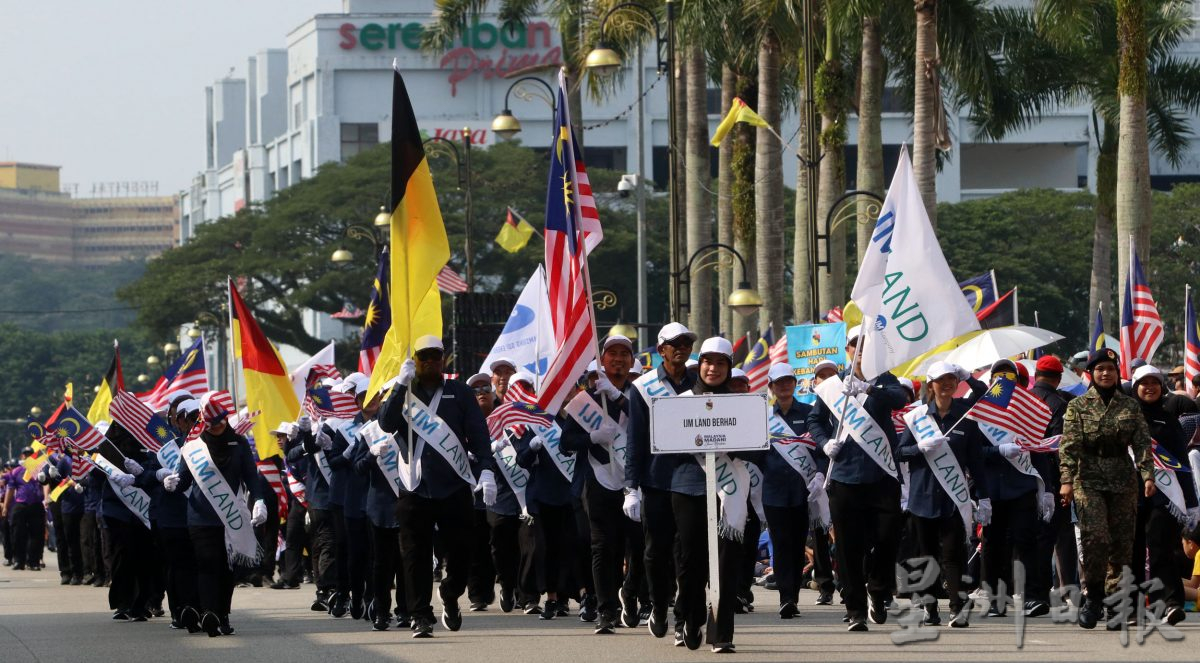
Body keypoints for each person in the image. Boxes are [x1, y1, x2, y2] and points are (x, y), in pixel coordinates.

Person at [377, 335, 496, 638]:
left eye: (435, 357)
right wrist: (400, 386)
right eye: (423, 357)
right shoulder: (403, 392)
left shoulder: (459, 392)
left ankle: (451, 592)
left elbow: (479, 435)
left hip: (453, 485)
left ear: (443, 359)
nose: (430, 362)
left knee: (461, 551)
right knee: (414, 554)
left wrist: (486, 471)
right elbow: (386, 424)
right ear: (414, 360)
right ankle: (420, 615)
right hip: (414, 485)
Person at [807, 326, 907, 632]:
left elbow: (900, 399)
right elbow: (815, 419)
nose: (860, 350)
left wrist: (868, 390)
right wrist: (824, 442)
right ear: (848, 350)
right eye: (855, 345)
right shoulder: (833, 385)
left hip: (882, 475)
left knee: (887, 538)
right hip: (845, 476)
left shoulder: (885, 380)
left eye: (865, 345)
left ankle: (878, 590)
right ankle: (855, 608)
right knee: (849, 548)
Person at [1060, 348, 1156, 629]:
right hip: (1088, 479)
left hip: (1123, 481)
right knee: (1095, 539)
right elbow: (1068, 445)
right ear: (1091, 373)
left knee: (1121, 545)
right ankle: (1093, 598)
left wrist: (1148, 476)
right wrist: (1066, 481)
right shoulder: (1078, 405)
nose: (1105, 374)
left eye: (1111, 369)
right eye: (1100, 369)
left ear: (1117, 374)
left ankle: (1116, 605)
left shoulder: (1130, 406)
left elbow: (1141, 443)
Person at [896, 361, 989, 628]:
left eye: (951, 379)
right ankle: (929, 606)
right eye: (940, 380)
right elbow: (900, 452)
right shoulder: (917, 418)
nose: (946, 384)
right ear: (930, 385)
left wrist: (984, 497)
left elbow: (976, 461)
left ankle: (957, 607)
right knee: (925, 556)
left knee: (954, 555)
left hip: (954, 499)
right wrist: (920, 448)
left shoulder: (966, 417)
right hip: (922, 498)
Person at [168, 397, 267, 636]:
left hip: (230, 517)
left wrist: (260, 500)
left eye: (221, 421)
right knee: (206, 563)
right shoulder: (193, 447)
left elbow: (251, 477)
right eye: (213, 423)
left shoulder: (240, 443)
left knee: (226, 568)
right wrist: (171, 483)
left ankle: (222, 614)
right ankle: (209, 612)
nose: (219, 426)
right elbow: (184, 481)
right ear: (205, 423)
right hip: (201, 516)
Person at [562, 334, 639, 633]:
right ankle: (606, 609)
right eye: (612, 354)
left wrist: (619, 399)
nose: (618, 359)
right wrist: (592, 437)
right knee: (602, 547)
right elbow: (567, 441)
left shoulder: (641, 395)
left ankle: (630, 595)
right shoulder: (586, 402)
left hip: (635, 483)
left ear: (631, 361)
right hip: (598, 480)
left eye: (624, 354)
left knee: (639, 546)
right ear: (602, 361)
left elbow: (653, 427)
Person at [626, 322, 696, 642]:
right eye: (675, 343)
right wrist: (631, 488)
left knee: (688, 553)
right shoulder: (642, 387)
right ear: (661, 349)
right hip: (656, 482)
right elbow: (635, 441)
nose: (682, 348)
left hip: (693, 482)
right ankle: (658, 605)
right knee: (656, 552)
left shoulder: (700, 382)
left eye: (686, 343)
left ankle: (684, 616)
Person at [1130, 364, 1197, 626]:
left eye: (1154, 383)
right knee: (1132, 552)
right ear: (1135, 388)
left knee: (1160, 549)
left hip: (1164, 497)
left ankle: (1169, 603)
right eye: (1143, 383)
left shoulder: (1169, 420)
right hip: (1129, 496)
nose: (1149, 388)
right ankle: (1133, 607)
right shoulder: (1125, 418)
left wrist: (1191, 504)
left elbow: (1182, 463)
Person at [761, 362, 824, 620]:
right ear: (771, 387)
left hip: (802, 490)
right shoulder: (763, 418)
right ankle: (785, 597)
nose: (784, 386)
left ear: (795, 384)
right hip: (773, 491)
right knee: (781, 543)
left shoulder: (809, 413)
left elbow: (821, 448)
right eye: (779, 382)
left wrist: (820, 473)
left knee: (797, 544)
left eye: (789, 381)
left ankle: (792, 597)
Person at [1025, 355, 1078, 618]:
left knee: (1032, 537)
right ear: (1058, 378)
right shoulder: (1059, 403)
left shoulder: (1022, 400)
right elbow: (1060, 445)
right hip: (1052, 478)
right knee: (1061, 535)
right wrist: (1065, 481)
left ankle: (1033, 593)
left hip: (1023, 476)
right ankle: (1067, 590)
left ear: (1036, 375)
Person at [464, 372, 499, 613]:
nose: (481, 393)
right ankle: (479, 594)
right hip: (472, 495)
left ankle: (512, 588)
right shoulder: (462, 419)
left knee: (502, 544)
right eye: (475, 390)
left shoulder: (507, 417)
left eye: (485, 388)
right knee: (476, 547)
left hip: (507, 495)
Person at [4, 448, 46, 571]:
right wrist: (6, 507)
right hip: (20, 504)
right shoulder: (16, 471)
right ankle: (19, 561)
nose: (28, 457)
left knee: (37, 534)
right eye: (26, 455)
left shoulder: (40, 469)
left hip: (36, 504)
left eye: (30, 455)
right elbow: (10, 489)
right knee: (17, 534)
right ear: (22, 456)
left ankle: (33, 561)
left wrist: (46, 498)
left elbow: (45, 484)